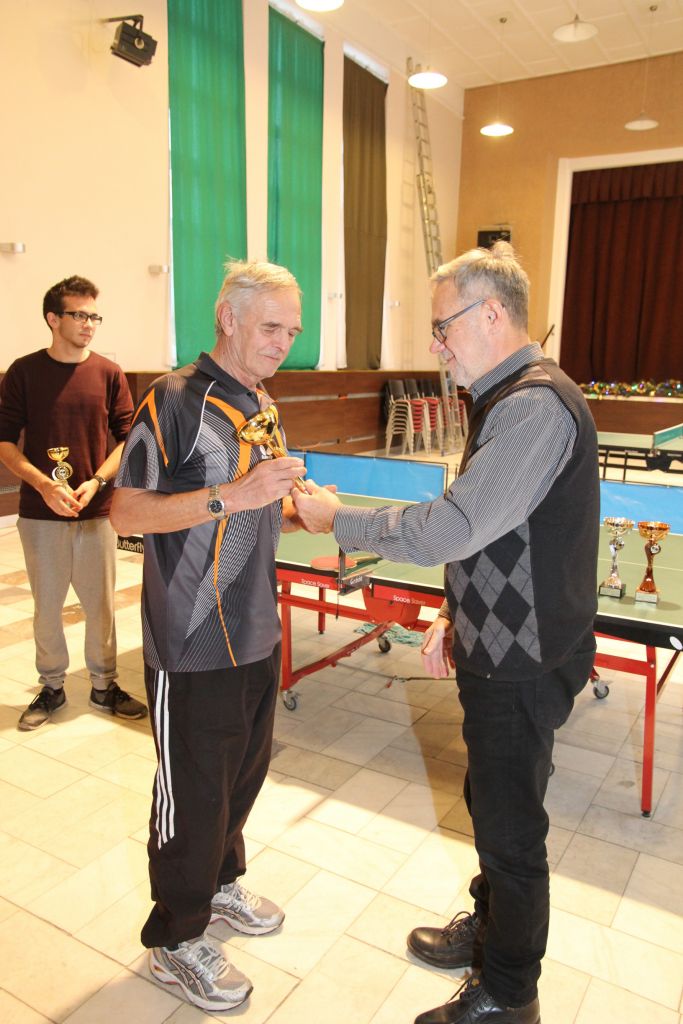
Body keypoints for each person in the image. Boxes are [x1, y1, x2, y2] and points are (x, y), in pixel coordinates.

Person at [292, 242, 599, 1024]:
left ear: (490, 314)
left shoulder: (531, 406)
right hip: (502, 642)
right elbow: (495, 532)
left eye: (442, 325)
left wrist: (338, 520)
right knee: (489, 804)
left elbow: (451, 528)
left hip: (523, 659)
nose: (435, 344)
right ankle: (489, 935)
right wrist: (449, 613)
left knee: (509, 830)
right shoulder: (505, 396)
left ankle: (508, 993)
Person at [110, 259, 307, 1014]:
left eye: (292, 331)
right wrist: (235, 495)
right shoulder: (172, 400)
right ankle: (174, 938)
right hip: (191, 639)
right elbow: (126, 512)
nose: (283, 342)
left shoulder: (261, 402)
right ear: (228, 317)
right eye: (270, 327)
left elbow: (253, 507)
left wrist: (290, 504)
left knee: (241, 776)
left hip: (257, 628)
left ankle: (220, 885)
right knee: (190, 793)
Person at [0, 275, 146, 731]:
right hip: (40, 513)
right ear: (53, 318)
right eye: (79, 315)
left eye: (94, 316)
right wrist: (44, 484)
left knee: (101, 605)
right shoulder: (23, 372)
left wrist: (99, 482)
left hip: (96, 512)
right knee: (47, 606)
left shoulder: (109, 373)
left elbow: (129, 439)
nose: (89, 324)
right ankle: (52, 687)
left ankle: (104, 685)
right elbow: (4, 442)